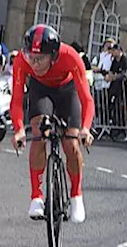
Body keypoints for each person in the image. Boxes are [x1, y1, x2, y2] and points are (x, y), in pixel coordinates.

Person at [11, 25, 94, 223]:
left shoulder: (70, 56)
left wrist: (85, 128)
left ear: (54, 56)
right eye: (31, 56)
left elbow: (87, 99)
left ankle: (76, 195)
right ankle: (36, 196)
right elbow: (16, 100)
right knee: (39, 133)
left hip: (68, 90)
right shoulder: (23, 61)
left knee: (70, 144)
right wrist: (19, 130)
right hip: (41, 90)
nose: (34, 63)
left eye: (40, 58)